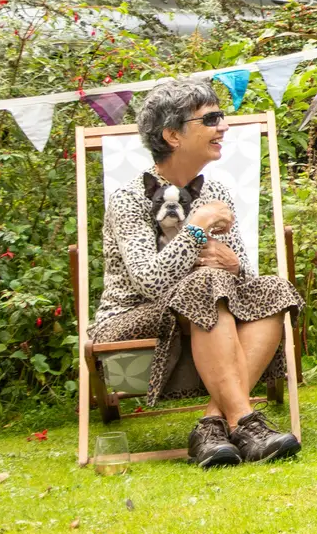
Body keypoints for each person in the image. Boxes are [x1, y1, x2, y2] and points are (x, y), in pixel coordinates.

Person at [87, 79, 303, 467]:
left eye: (222, 117)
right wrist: (197, 227)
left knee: (274, 289)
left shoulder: (213, 190)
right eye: (211, 119)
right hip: (130, 318)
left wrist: (237, 265)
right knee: (205, 283)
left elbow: (244, 286)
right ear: (173, 135)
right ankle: (245, 421)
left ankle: (210, 425)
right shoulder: (130, 198)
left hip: (204, 314)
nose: (223, 127)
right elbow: (149, 282)